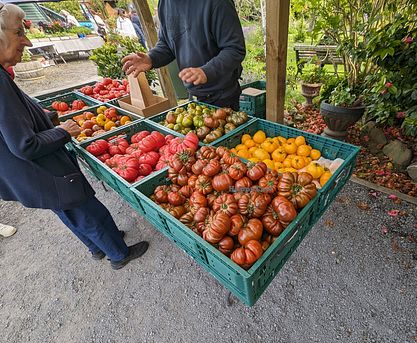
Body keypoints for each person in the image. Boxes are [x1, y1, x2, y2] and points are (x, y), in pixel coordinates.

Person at [0, 2, 148, 270]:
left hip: (29, 174)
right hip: (38, 168)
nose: (27, 40)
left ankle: (97, 247)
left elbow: (13, 120)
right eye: (18, 33)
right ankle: (118, 253)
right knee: (85, 209)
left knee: (68, 211)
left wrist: (40, 114)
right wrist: (62, 131)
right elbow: (25, 144)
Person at [121, 0, 246, 110]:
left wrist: (207, 71)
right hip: (194, 95)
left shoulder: (217, 3)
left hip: (223, 96)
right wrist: (151, 58)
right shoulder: (165, 3)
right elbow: (167, 43)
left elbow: (234, 48)